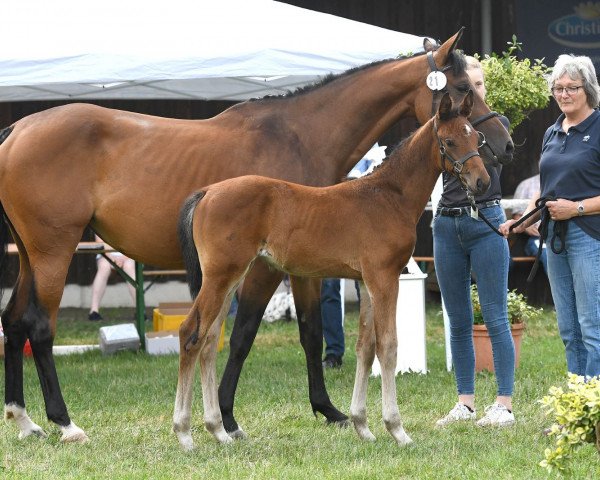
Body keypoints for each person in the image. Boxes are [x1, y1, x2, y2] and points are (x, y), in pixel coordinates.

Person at [500, 54, 600, 379]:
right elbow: (545, 193)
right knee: (569, 328)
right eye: (558, 88)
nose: (564, 94)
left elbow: (573, 200)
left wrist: (577, 208)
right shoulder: (551, 132)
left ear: (589, 90)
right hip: (556, 238)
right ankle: (576, 408)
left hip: (590, 236)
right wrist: (518, 223)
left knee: (592, 326)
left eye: (571, 87)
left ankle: (594, 409)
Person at [434, 55, 515, 427]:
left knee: (496, 316)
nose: (476, 92)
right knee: (458, 318)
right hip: (446, 224)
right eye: (470, 87)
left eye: (480, 86)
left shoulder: (496, 126)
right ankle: (464, 401)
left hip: (486, 222)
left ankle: (504, 403)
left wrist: (470, 129)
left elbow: (488, 166)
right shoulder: (445, 125)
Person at [321, 143, 386, 369]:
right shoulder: (338, 150)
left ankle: (369, 347)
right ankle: (333, 352)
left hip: (365, 229)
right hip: (335, 226)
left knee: (367, 291)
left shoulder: (377, 154)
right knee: (328, 288)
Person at [88, 235, 136, 321]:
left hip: (128, 254)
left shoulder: (132, 222)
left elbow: (135, 242)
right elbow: (100, 242)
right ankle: (94, 311)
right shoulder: (102, 221)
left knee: (129, 267)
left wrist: (124, 257)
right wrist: (112, 258)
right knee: (104, 267)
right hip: (106, 254)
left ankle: (140, 310)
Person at [511, 173, 548, 274]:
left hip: (558, 234)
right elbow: (516, 216)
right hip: (536, 237)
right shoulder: (526, 185)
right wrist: (527, 227)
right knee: (547, 253)